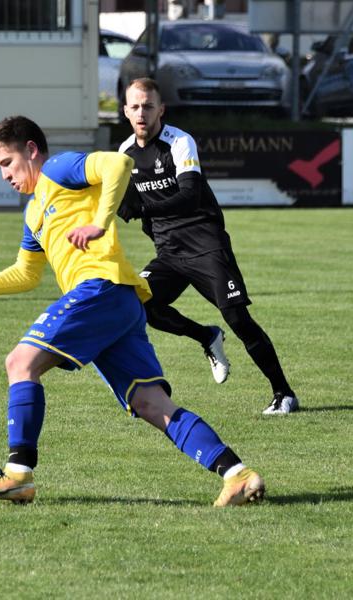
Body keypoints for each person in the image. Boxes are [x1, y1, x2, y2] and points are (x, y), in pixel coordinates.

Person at [0, 115, 265, 506]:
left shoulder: (59, 169)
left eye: (8, 163)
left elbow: (118, 164)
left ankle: (17, 474)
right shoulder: (34, 212)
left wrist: (99, 222)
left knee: (20, 363)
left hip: (101, 288)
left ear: (31, 150)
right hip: (119, 303)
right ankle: (237, 475)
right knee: (151, 404)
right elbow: (27, 273)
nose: (5, 175)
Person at [117, 77, 299, 415]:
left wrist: (143, 209)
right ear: (126, 110)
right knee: (140, 305)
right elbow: (125, 204)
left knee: (237, 317)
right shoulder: (124, 153)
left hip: (205, 243)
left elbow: (189, 196)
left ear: (161, 109)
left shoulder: (180, 141)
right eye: (135, 106)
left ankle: (283, 393)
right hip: (169, 252)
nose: (142, 113)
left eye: (149, 106)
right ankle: (205, 336)